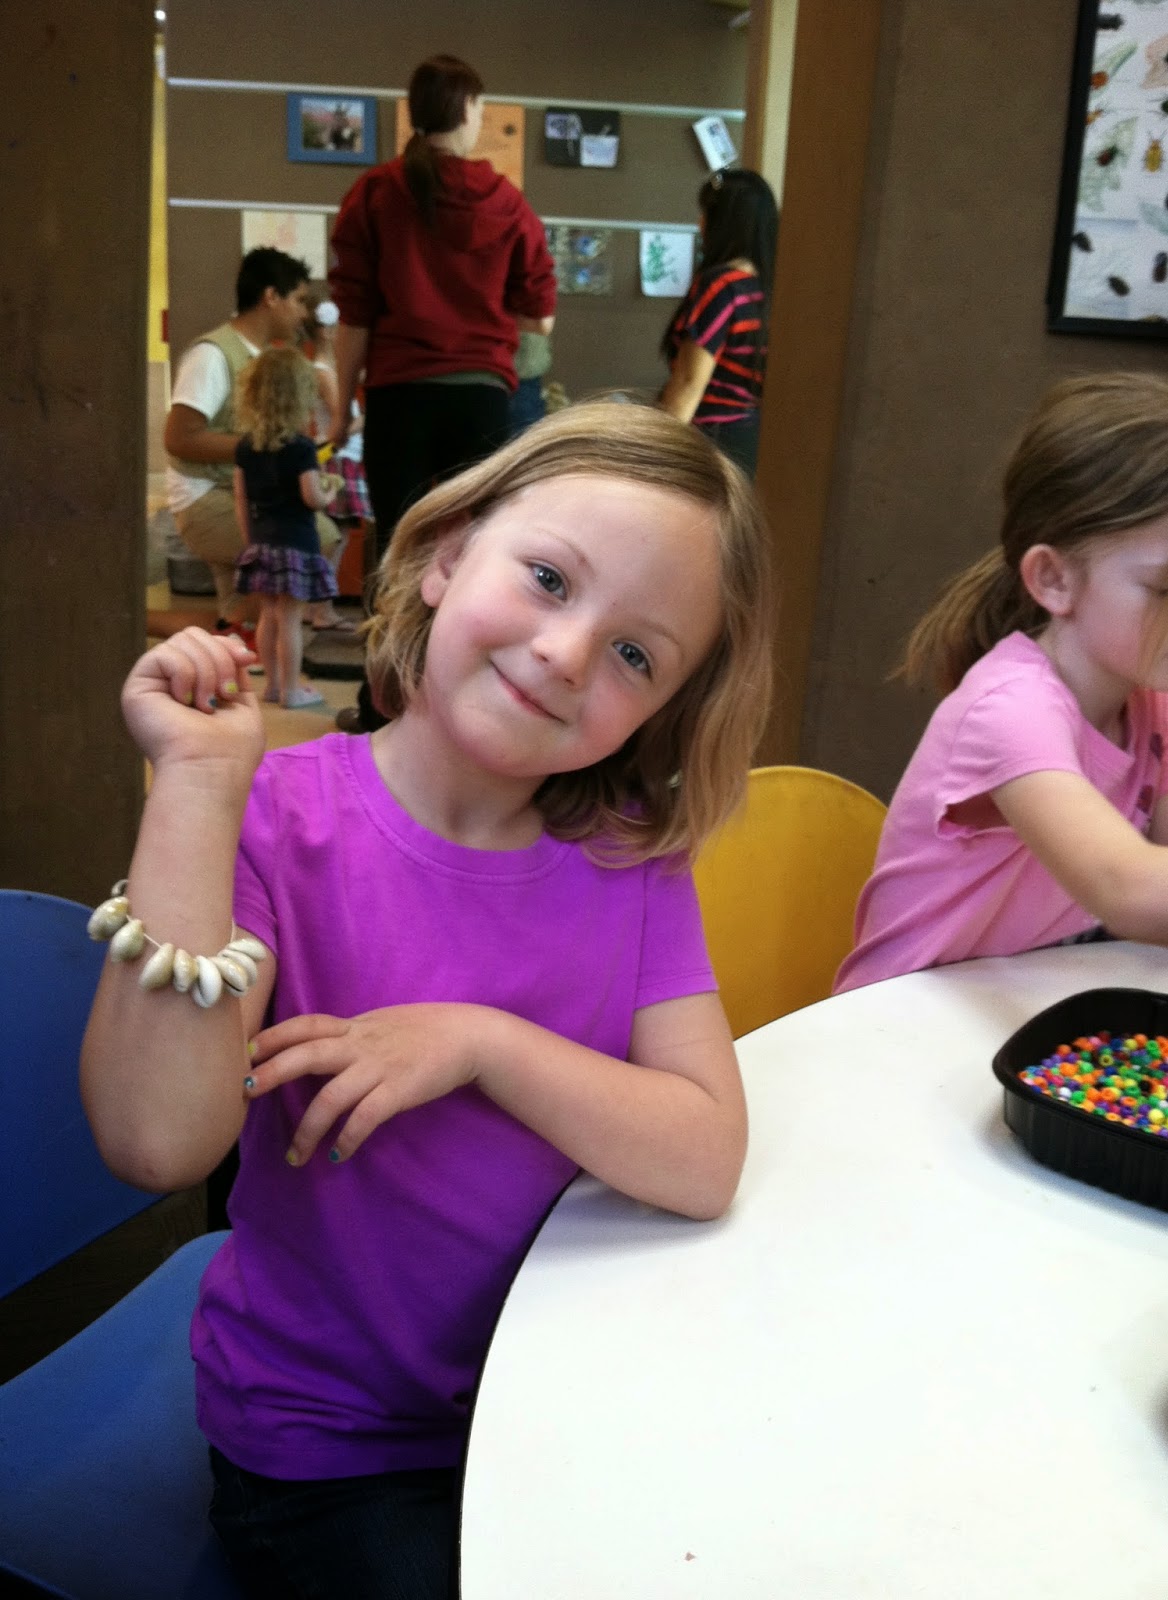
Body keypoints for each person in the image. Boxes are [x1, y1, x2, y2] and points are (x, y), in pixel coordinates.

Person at [81, 401, 774, 1600]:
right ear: (449, 553)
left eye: (635, 655)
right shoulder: (280, 818)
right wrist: (194, 786)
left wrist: (483, 1044)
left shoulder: (633, 860)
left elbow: (705, 1153)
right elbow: (155, 1139)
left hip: (551, 1402)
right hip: (330, 1454)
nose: (567, 653)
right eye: (548, 578)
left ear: (665, 708)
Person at [835, 371, 1168, 994]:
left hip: (1036, 1002)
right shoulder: (1011, 710)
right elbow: (1128, 887)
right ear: (1054, 579)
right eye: (1166, 590)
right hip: (908, 1019)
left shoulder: (1153, 702)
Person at [329, 52, 556, 732]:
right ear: (470, 111)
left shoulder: (375, 194)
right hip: (480, 399)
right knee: (473, 557)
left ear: (416, 113)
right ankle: (455, 707)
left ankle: (379, 709)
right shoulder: (506, 202)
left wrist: (340, 409)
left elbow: (354, 320)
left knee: (395, 552)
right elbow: (539, 315)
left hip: (399, 397)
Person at [165, 247, 311, 643]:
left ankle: (231, 632)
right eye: (299, 300)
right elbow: (179, 438)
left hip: (240, 492)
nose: (303, 313)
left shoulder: (263, 357)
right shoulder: (211, 355)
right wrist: (268, 449)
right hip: (205, 496)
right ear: (271, 296)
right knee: (318, 537)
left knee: (234, 618)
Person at [232, 346, 338, 710]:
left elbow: (241, 497)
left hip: (262, 543)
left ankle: (273, 685)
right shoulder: (302, 447)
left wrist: (250, 541)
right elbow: (311, 497)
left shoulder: (246, 447)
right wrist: (328, 492)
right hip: (296, 544)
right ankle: (292, 691)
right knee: (291, 618)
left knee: (268, 615)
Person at [659, 168, 778, 479]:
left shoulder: (721, 287)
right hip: (754, 438)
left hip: (712, 442)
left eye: (707, 215)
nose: (700, 224)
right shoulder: (768, 290)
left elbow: (688, 385)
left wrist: (656, 455)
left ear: (726, 223)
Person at [303, 292, 369, 632]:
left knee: (334, 538)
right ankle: (322, 609)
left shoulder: (329, 369)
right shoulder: (323, 372)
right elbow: (340, 425)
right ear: (328, 332)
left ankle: (315, 607)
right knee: (334, 539)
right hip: (338, 459)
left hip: (343, 458)